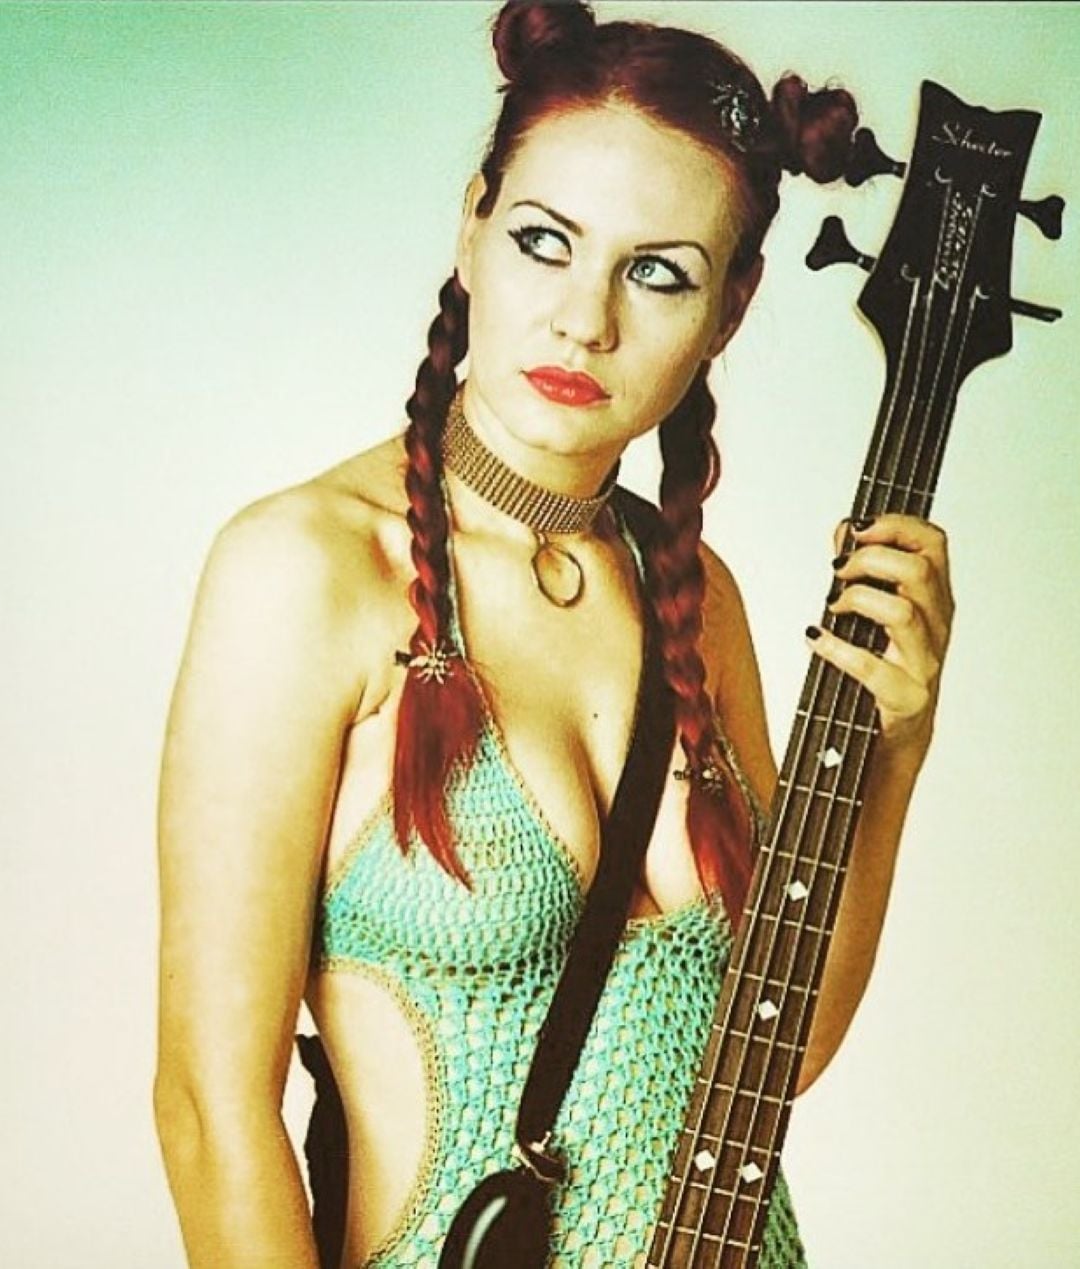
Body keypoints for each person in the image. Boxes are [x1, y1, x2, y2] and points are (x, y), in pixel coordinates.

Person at [152, 1, 955, 1266]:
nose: (586, 320)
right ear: (471, 228)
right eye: (544, 241)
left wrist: (893, 753)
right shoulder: (306, 573)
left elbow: (778, 1049)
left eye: (657, 272)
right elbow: (211, 1111)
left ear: (730, 308)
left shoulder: (697, 599)